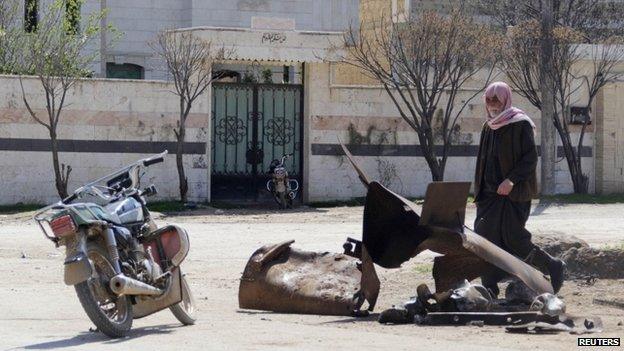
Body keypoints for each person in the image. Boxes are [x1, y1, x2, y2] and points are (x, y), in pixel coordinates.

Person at [474, 81, 565, 297]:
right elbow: (483, 161)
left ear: (505, 100)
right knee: (486, 238)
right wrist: (479, 192)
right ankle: (490, 284)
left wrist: (511, 180)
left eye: (496, 100)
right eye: (489, 101)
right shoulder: (488, 126)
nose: (492, 105)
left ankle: (552, 265)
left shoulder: (520, 123)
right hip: (490, 196)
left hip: (513, 194)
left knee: (514, 238)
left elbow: (530, 158)